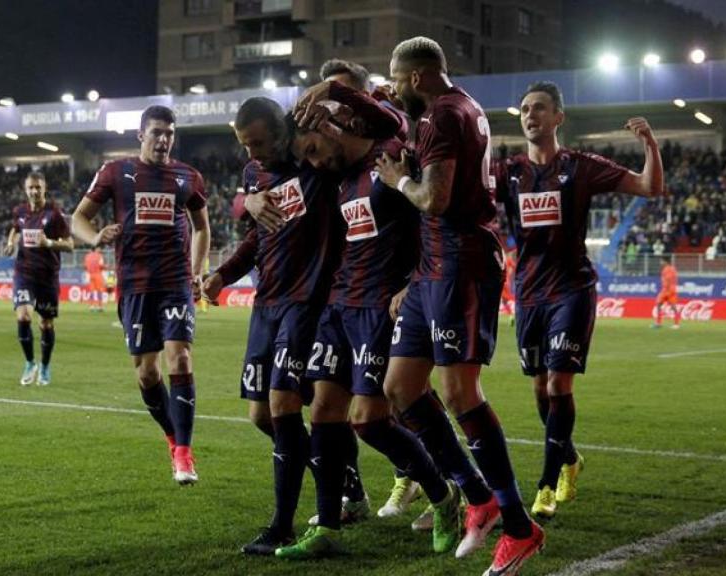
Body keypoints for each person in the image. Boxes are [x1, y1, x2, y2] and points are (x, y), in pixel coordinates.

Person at [375, 36, 544, 573]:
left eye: (398, 81)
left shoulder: (441, 118)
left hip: (461, 263)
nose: (396, 89)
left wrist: (396, 177)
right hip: (432, 268)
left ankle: (519, 526)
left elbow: (434, 199)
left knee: (458, 391)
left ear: (418, 77)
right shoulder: (458, 107)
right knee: (400, 389)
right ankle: (477, 495)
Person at [273, 98, 463, 559]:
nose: (316, 161)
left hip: (380, 308)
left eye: (316, 148)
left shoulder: (391, 157)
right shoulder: (337, 180)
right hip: (340, 307)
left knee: (368, 420)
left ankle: (443, 496)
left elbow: (432, 221)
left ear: (330, 127)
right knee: (323, 412)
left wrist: (414, 283)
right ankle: (327, 529)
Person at [497, 81, 665, 521]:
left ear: (558, 118)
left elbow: (649, 186)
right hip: (529, 294)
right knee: (539, 388)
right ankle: (570, 458)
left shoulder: (582, 167)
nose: (530, 115)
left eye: (540, 108)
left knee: (558, 385)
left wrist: (649, 143)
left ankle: (546, 485)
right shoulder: (507, 172)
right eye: (525, 109)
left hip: (572, 290)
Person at [202, 97, 351, 554]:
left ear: (282, 133)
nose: (252, 154)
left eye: (259, 142)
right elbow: (257, 236)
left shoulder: (315, 163)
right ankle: (342, 474)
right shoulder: (253, 177)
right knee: (260, 414)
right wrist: (223, 273)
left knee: (285, 404)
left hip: (308, 301)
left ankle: (284, 526)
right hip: (266, 303)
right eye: (245, 145)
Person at [71, 105, 210, 485]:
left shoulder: (187, 177)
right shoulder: (117, 172)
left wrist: (197, 272)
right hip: (134, 284)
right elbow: (78, 218)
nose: (164, 139)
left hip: (175, 282)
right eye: (157, 132)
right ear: (141, 135)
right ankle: (171, 437)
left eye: (169, 133)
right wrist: (95, 237)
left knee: (179, 358)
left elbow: (201, 227)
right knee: (148, 373)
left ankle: (184, 452)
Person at [5, 172, 74, 386]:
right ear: (26, 189)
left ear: (44, 188)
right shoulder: (20, 211)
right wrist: (10, 243)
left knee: (45, 324)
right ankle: (29, 363)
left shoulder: (54, 214)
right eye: (31, 187)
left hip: (47, 277)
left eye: (38, 187)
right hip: (24, 273)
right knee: (24, 316)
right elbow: (15, 229)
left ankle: (44, 366)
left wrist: (49, 244)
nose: (34, 191)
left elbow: (70, 244)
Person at [653, 256, 680, 329]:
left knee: (672, 307)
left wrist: (667, 290)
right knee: (659, 304)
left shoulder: (669, 269)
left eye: (661, 261)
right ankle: (659, 323)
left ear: (665, 262)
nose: (660, 263)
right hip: (668, 290)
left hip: (668, 290)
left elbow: (669, 279)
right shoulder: (669, 269)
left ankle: (676, 324)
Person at [83, 246, 107, 312]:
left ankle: (91, 306)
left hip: (90, 275)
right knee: (100, 291)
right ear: (96, 249)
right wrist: (106, 267)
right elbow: (101, 265)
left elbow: (85, 266)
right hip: (98, 274)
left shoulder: (87, 256)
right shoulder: (99, 256)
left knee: (92, 291)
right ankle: (100, 306)